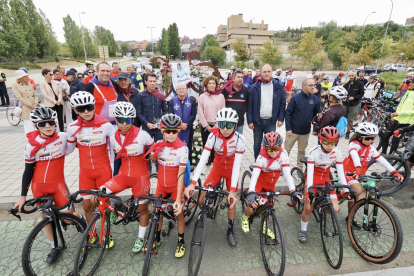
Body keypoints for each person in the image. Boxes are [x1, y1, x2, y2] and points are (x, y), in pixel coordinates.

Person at [13, 107, 83, 264]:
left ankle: (80, 219)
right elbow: (28, 171)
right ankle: (54, 246)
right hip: (39, 188)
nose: (48, 126)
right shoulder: (31, 145)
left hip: (58, 185)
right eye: (43, 124)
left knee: (68, 220)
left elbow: (79, 143)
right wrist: (23, 196)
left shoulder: (63, 137)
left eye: (51, 122)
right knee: (46, 218)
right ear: (36, 126)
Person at [97, 102, 154, 253]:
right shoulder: (114, 136)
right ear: (115, 119)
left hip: (140, 178)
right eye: (120, 119)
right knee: (100, 194)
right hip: (122, 175)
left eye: (128, 120)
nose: (124, 123)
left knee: (143, 209)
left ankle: (141, 237)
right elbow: (114, 157)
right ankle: (117, 211)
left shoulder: (143, 135)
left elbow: (153, 152)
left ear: (133, 120)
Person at [186, 107, 245, 246]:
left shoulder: (240, 139)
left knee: (231, 203)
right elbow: (203, 159)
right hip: (217, 168)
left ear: (235, 126)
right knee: (201, 199)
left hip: (231, 170)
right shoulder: (213, 136)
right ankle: (205, 210)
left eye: (229, 125)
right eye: (221, 124)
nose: (224, 128)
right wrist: (193, 182)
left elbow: (237, 166)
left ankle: (230, 229)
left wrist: (231, 191)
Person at [66, 92, 115, 246]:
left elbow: (114, 149)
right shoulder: (72, 127)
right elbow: (67, 150)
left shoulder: (106, 125)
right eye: (81, 109)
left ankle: (107, 233)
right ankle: (92, 231)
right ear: (75, 110)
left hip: (104, 170)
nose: (86, 111)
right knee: (87, 205)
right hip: (85, 172)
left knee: (104, 204)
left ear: (94, 107)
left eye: (89, 107)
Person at [340, 123, 403, 222]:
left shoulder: (371, 148)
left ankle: (351, 216)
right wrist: (358, 167)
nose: (370, 141)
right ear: (360, 137)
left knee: (355, 197)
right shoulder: (354, 144)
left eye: (372, 138)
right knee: (358, 191)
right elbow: (354, 155)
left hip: (359, 173)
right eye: (367, 138)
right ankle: (339, 195)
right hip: (348, 171)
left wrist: (394, 171)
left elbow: (381, 160)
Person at [241, 132, 303, 234]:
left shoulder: (283, 154)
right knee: (253, 207)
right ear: (265, 148)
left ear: (280, 147)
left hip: (271, 185)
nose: (273, 153)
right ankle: (245, 217)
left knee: (268, 206)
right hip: (260, 184)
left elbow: (287, 174)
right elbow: (255, 174)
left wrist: (293, 190)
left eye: (276, 149)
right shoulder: (261, 157)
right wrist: (251, 191)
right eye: (270, 149)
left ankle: (264, 226)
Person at [145, 114, 188, 257]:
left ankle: (181, 242)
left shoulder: (183, 149)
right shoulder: (159, 144)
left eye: (174, 131)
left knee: (179, 214)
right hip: (161, 187)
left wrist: (177, 201)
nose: (170, 134)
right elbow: (149, 157)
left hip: (175, 187)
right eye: (167, 131)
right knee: (159, 212)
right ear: (162, 130)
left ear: (178, 131)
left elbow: (181, 175)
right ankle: (156, 237)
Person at [299, 126, 347, 243]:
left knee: (335, 208)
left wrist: (345, 187)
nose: (330, 145)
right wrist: (309, 189)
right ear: (321, 141)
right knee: (308, 208)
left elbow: (340, 172)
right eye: (327, 142)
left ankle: (321, 209)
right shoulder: (314, 152)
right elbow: (309, 173)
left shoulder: (337, 152)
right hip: (313, 179)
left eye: (333, 143)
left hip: (326, 179)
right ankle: (303, 230)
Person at [247, 64, 286, 160]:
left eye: (268, 71)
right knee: (257, 143)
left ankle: (269, 162)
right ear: (261, 73)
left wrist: (281, 119)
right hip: (257, 122)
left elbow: (282, 103)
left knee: (271, 144)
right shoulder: (255, 87)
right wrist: (250, 121)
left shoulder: (278, 86)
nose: (266, 74)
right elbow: (250, 105)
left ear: (272, 72)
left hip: (271, 122)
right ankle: (257, 162)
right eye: (264, 72)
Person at [285, 78, 320, 168]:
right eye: (310, 85)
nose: (313, 87)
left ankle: (299, 168)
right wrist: (288, 128)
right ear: (303, 86)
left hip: (305, 131)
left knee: (301, 151)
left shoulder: (315, 99)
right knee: (286, 150)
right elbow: (288, 113)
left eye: (314, 85)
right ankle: (282, 166)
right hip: (292, 131)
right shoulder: (295, 98)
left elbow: (317, 113)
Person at [137, 73, 167, 173]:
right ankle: (148, 169)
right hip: (147, 127)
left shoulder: (160, 95)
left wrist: (161, 121)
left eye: (154, 81)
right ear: (146, 82)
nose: (152, 83)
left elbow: (165, 110)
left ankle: (160, 169)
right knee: (147, 149)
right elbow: (139, 113)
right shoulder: (141, 96)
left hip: (159, 128)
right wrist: (146, 123)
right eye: (150, 81)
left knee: (159, 148)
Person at [380, 78, 414, 154]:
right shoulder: (409, 92)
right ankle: (383, 153)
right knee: (385, 136)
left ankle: (391, 156)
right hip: (397, 119)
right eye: (410, 82)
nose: (410, 84)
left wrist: (400, 113)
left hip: (405, 122)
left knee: (395, 139)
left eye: (412, 83)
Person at [197, 75, 225, 163]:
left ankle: (215, 164)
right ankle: (206, 164)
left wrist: (216, 126)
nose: (211, 85)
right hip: (206, 127)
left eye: (213, 83)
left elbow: (222, 111)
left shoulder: (221, 96)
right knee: (207, 146)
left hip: (218, 126)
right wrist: (207, 126)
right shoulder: (202, 97)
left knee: (216, 147)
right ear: (206, 85)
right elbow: (200, 113)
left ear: (216, 85)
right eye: (209, 83)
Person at [168, 83, 197, 159]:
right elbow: (171, 115)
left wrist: (186, 124)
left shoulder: (192, 101)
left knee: (188, 148)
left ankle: (188, 165)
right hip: (176, 129)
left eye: (183, 89)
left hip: (188, 128)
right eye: (179, 89)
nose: (181, 90)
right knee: (176, 148)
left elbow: (193, 115)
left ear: (186, 90)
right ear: (176, 91)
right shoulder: (171, 102)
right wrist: (179, 124)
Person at [221, 68, 249, 134]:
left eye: (241, 77)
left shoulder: (245, 90)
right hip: (227, 123)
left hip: (239, 123)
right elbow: (221, 105)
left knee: (238, 142)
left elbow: (247, 105)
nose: (240, 79)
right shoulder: (226, 90)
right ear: (233, 78)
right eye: (238, 77)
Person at [343, 71, 364, 139]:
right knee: (342, 118)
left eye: (352, 75)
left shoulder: (360, 84)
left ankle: (348, 132)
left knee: (350, 119)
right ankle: (341, 131)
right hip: (345, 104)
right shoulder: (347, 84)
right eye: (350, 76)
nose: (351, 77)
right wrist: (344, 98)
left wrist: (354, 97)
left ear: (355, 76)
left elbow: (361, 94)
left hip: (354, 104)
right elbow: (343, 92)